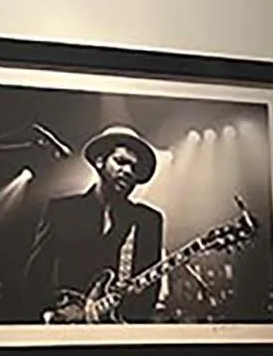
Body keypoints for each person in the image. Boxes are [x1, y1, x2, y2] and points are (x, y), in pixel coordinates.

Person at [25, 126, 168, 323]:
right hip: (64, 327)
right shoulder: (61, 210)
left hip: (118, 330)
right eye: (121, 161)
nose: (128, 171)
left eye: (134, 168)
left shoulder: (148, 220)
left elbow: (149, 292)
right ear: (100, 161)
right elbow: (36, 274)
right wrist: (50, 313)